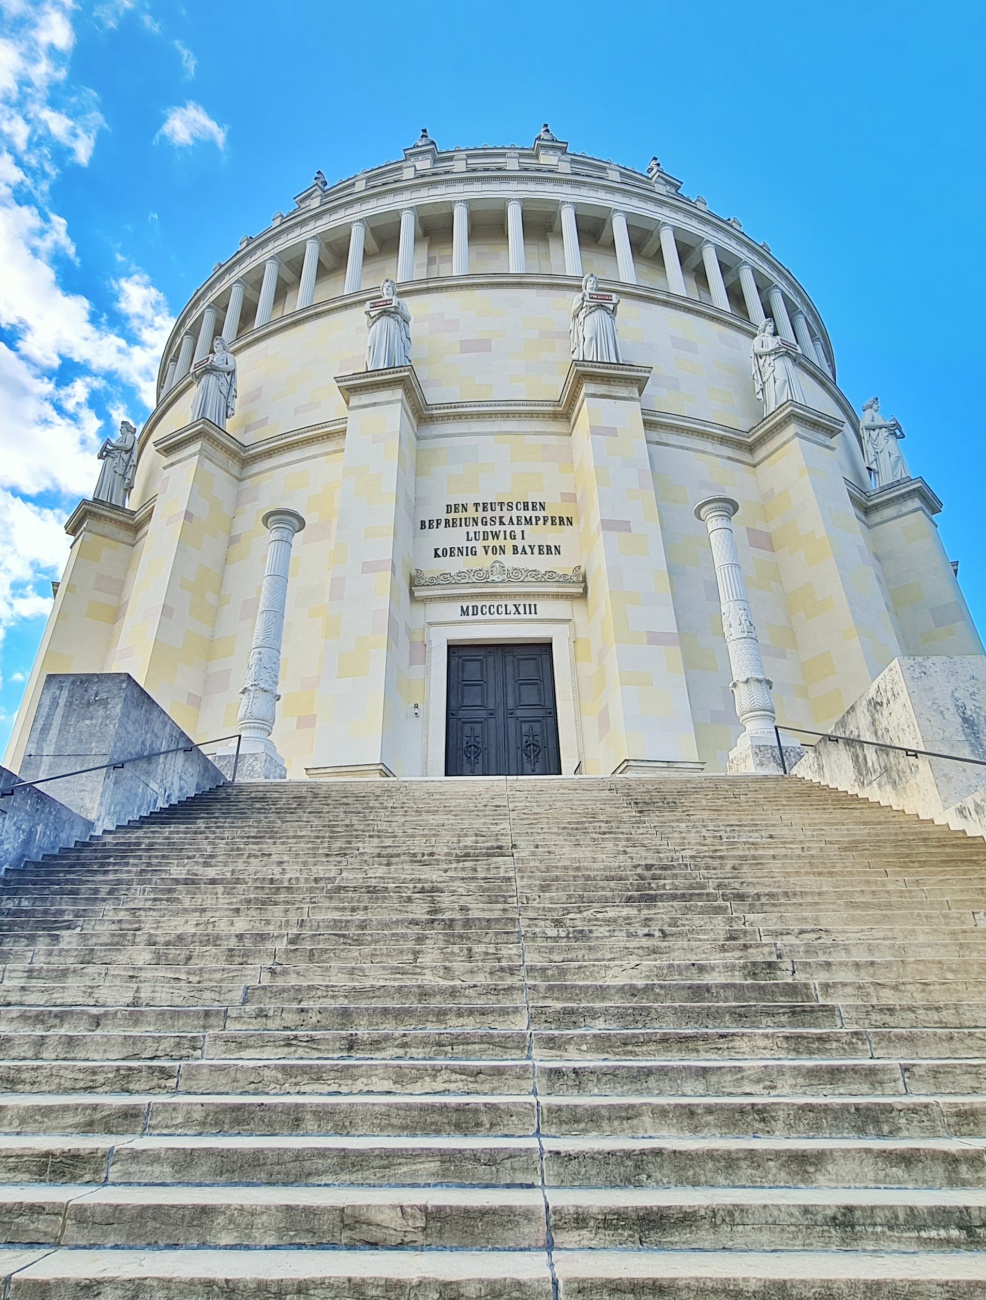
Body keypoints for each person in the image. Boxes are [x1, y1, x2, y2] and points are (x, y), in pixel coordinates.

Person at [750, 317, 805, 414]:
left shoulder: (778, 340)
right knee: (782, 380)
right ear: (764, 327)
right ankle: (778, 404)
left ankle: (788, 401)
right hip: (773, 361)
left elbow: (795, 355)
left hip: (784, 361)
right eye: (769, 326)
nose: (772, 328)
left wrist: (797, 352)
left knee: (789, 381)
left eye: (772, 326)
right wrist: (771, 350)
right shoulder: (760, 338)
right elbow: (757, 349)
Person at [570, 273, 621, 363]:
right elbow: (574, 311)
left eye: (594, 282)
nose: (592, 283)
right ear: (585, 284)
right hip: (589, 318)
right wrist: (582, 301)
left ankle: (607, 361)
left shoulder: (603, 297)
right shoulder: (580, 296)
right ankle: (588, 360)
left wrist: (615, 304)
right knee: (590, 337)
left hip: (604, 320)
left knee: (606, 342)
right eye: (590, 281)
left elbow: (613, 313)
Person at [861, 397, 908, 487]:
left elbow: (883, 429)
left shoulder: (879, 416)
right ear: (871, 404)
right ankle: (891, 478)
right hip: (882, 441)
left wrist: (896, 430)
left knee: (897, 456)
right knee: (895, 456)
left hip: (889, 437)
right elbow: (866, 424)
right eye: (876, 404)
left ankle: (896, 478)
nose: (878, 406)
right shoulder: (869, 413)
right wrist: (886, 424)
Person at [191, 337, 237, 429]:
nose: (216, 347)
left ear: (223, 345)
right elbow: (197, 372)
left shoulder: (228, 355)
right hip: (205, 381)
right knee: (201, 400)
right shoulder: (211, 357)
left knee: (213, 399)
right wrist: (194, 373)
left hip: (217, 381)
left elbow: (231, 366)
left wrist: (216, 367)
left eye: (218, 344)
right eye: (215, 345)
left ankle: (213, 422)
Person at [365, 279, 412, 369]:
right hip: (378, 328)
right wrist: (367, 314)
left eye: (389, 286)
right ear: (382, 291)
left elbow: (408, 317)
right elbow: (369, 323)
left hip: (392, 326)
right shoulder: (375, 305)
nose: (386, 288)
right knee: (372, 348)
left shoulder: (399, 302)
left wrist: (398, 310)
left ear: (393, 289)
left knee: (392, 349)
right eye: (385, 287)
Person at [93, 419, 137, 508]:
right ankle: (103, 499)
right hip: (111, 462)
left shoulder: (130, 436)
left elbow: (127, 446)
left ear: (127, 428)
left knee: (116, 483)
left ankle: (114, 502)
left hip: (119, 465)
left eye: (122, 428)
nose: (120, 430)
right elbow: (117, 450)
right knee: (106, 482)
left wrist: (112, 444)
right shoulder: (119, 439)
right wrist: (106, 451)